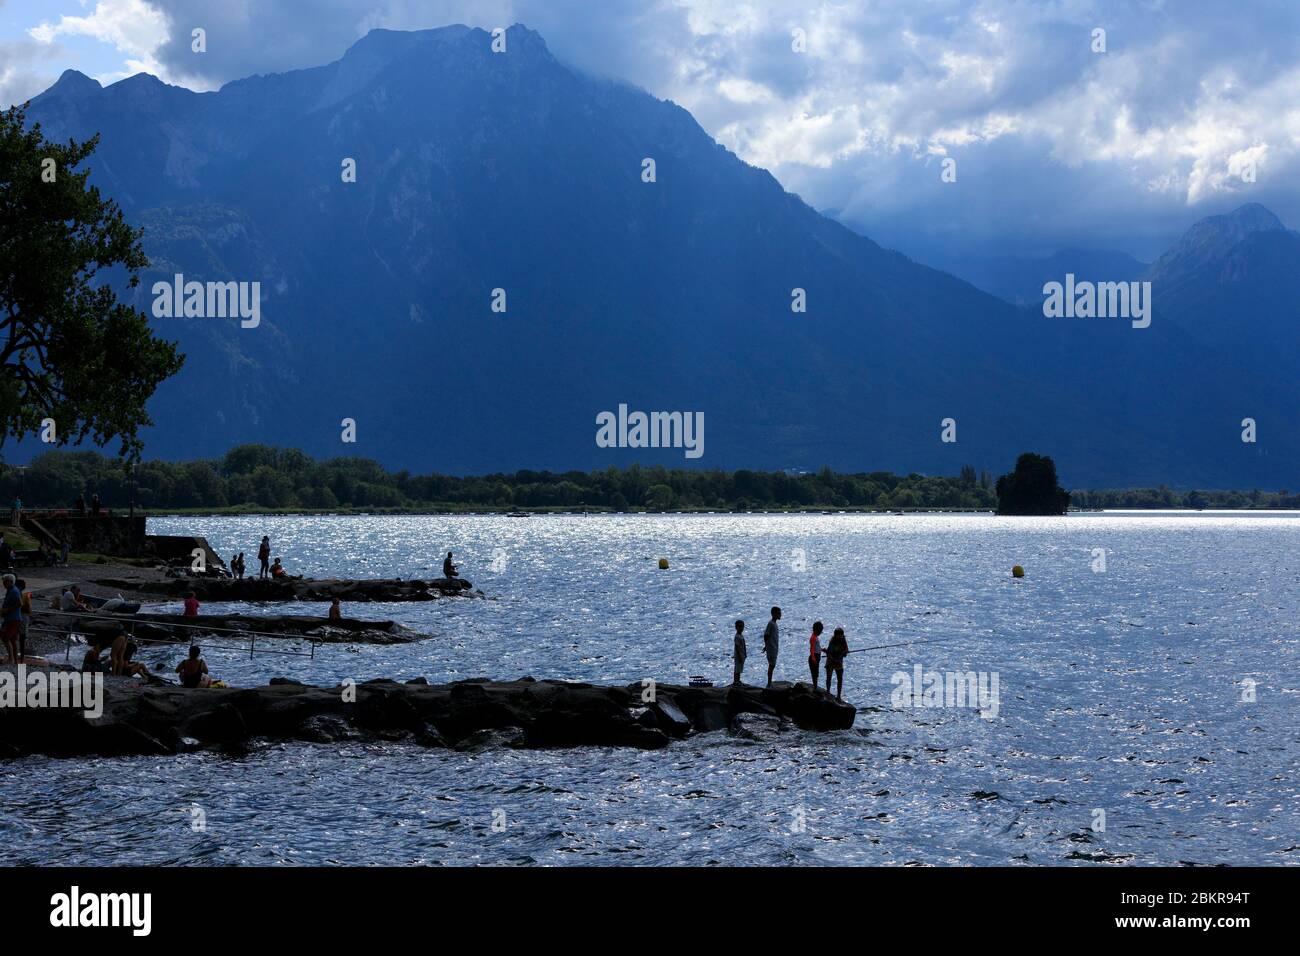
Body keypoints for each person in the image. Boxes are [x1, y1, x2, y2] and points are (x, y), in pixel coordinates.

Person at [1, 574, 22, 664]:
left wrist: (7, 610)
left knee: (5, 638)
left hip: (12, 619)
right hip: (12, 618)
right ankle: (15, 660)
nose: (4, 584)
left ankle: (11, 659)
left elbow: (19, 603)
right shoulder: (11, 590)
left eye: (5, 582)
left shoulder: (14, 591)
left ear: (10, 581)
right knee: (13, 639)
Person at [825, 627, 849, 701]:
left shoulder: (843, 641)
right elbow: (828, 653)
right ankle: (828, 692)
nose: (840, 637)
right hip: (831, 661)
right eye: (838, 636)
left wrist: (845, 652)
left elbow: (846, 650)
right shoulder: (832, 642)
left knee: (840, 679)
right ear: (835, 635)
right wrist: (833, 659)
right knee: (829, 678)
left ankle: (839, 695)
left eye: (841, 636)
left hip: (839, 662)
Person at [763, 606, 781, 686]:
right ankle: (769, 683)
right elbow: (766, 635)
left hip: (774, 648)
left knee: (772, 665)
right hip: (771, 648)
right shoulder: (771, 624)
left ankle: (769, 682)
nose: (780, 615)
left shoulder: (774, 624)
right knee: (771, 665)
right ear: (774, 614)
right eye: (779, 613)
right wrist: (766, 646)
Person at [17, 579, 32, 662]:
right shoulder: (25, 596)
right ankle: (21, 657)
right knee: (22, 637)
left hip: (16, 616)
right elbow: (29, 609)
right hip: (23, 616)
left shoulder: (16, 593)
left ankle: (15, 656)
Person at [808, 620, 824, 689]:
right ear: (817, 630)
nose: (821, 632)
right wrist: (813, 658)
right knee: (814, 673)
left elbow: (817, 647)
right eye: (820, 631)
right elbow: (812, 649)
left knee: (816, 673)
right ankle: (815, 687)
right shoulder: (813, 638)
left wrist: (822, 649)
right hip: (814, 656)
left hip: (817, 656)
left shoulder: (815, 637)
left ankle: (815, 686)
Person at [732, 619, 746, 685]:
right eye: (739, 627)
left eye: (742, 626)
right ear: (736, 628)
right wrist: (740, 655)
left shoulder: (741, 635)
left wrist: (744, 654)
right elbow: (737, 647)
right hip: (738, 655)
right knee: (737, 669)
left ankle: (738, 680)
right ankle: (735, 681)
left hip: (742, 654)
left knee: (740, 668)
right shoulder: (737, 636)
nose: (741, 628)